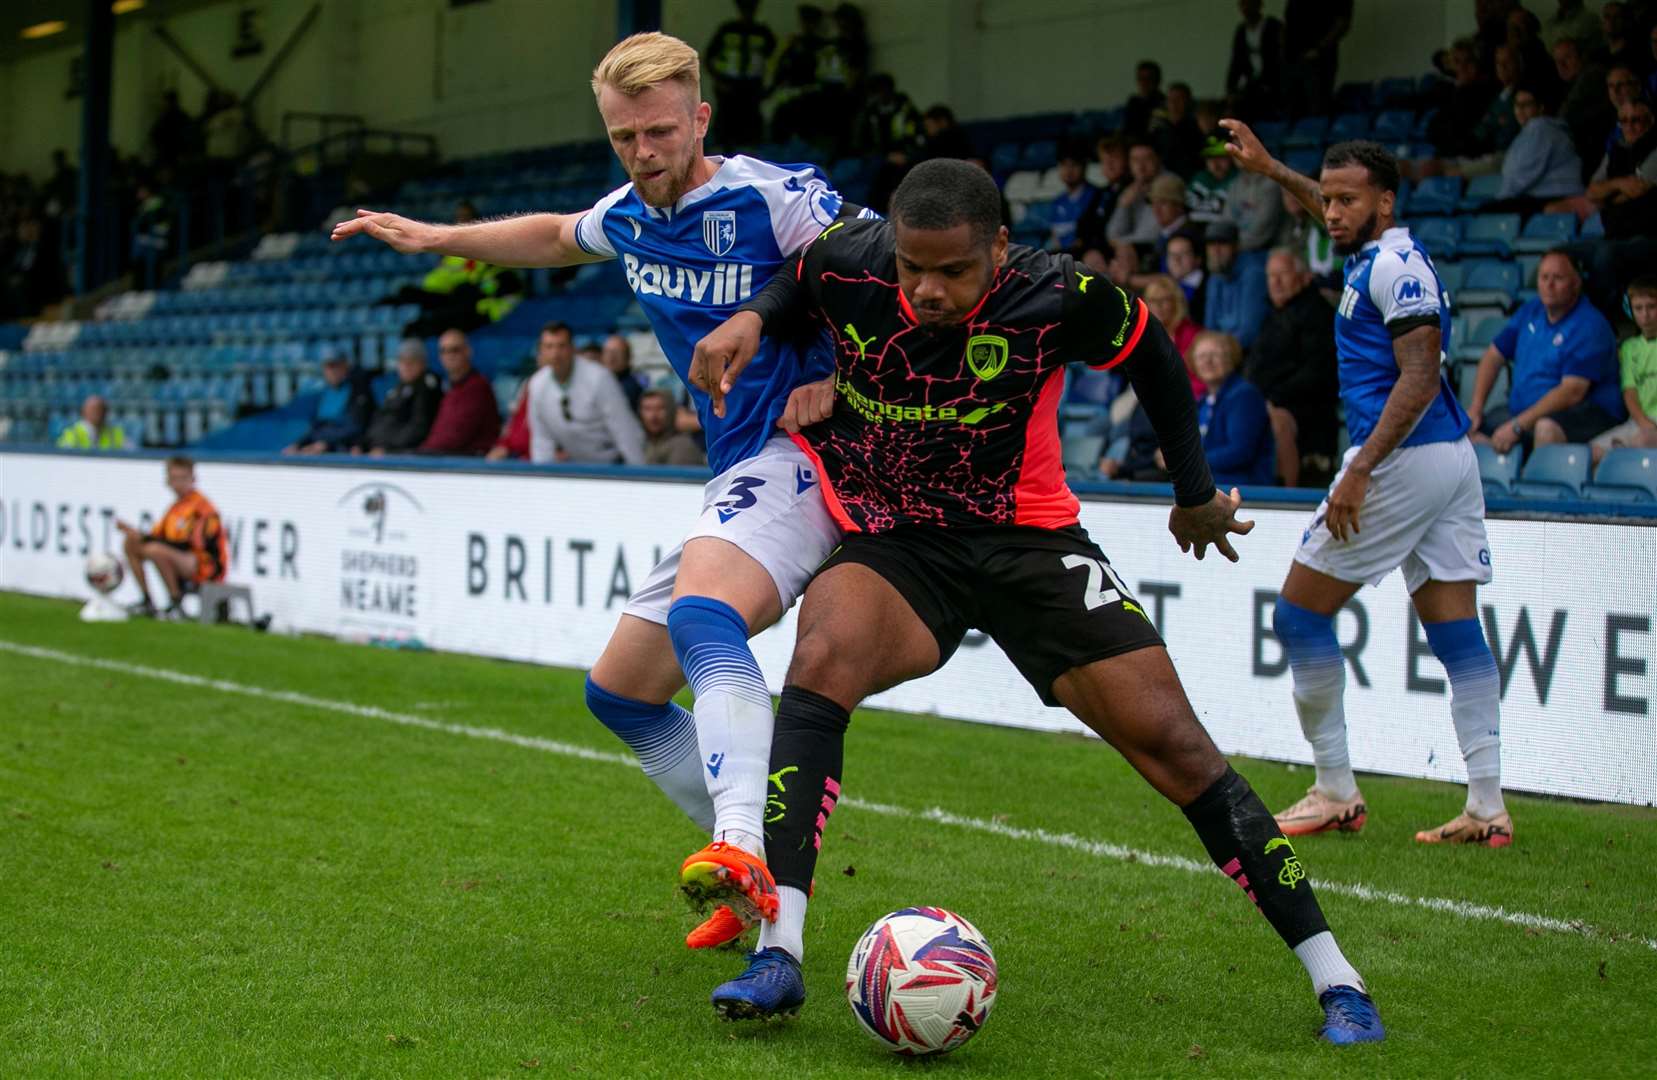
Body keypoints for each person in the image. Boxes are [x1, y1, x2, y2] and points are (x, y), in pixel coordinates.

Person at [691, 157, 1383, 1044]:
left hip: (1031, 544)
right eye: (913, 270)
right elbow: (796, 284)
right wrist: (751, 319)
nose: (929, 290)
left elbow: (1156, 359)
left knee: (1177, 749)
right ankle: (778, 951)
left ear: (999, 248)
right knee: (819, 660)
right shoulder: (851, 256)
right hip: (901, 544)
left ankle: (1337, 980)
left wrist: (1195, 491)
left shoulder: (1060, 293)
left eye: (954, 271)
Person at [335, 31, 862, 951]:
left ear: (700, 117)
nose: (645, 153)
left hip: (805, 455)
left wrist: (844, 376)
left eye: (659, 130)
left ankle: (740, 842)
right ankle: (761, 871)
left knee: (705, 620)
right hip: (737, 468)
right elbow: (550, 234)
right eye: (624, 138)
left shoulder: (770, 195)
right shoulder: (628, 214)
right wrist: (434, 236)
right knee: (621, 691)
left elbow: (877, 265)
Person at [1222, 122, 1513, 848]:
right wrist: (1269, 169)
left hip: (1403, 459)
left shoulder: (1394, 269)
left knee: (1296, 617)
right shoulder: (1374, 252)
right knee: (1454, 634)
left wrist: (1357, 471)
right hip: (1448, 462)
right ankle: (1486, 808)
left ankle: (1334, 790)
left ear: (1385, 202)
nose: (1332, 212)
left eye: (1349, 201)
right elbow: (1320, 200)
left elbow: (1418, 377)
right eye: (1328, 200)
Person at [1468, 251, 1623, 454]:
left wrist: (1518, 425)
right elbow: (1493, 356)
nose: (1549, 285)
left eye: (1558, 278)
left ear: (1576, 283)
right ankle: (1509, 473)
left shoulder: (1589, 324)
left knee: (1545, 429)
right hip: (1524, 411)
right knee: (1465, 431)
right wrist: (1476, 407)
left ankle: (1534, 480)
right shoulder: (1531, 310)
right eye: (1544, 277)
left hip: (1587, 412)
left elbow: (1572, 392)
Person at [1246, 248, 1340, 487]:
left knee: (1276, 420)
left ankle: (1284, 495)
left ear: (1304, 276)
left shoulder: (1318, 313)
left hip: (1307, 407)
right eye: (1270, 276)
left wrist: (1272, 398)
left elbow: (1317, 373)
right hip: (1267, 399)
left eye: (1283, 274)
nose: (1275, 282)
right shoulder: (1272, 313)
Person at [117, 456, 228, 620]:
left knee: (155, 550)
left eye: (183, 478)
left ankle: (176, 603)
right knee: (131, 543)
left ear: (193, 479)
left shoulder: (202, 507)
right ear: (168, 481)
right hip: (182, 558)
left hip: (205, 564)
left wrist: (146, 538)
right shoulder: (175, 507)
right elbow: (158, 536)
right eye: (174, 478)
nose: (179, 483)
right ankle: (147, 601)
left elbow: (192, 544)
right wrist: (138, 536)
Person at [527, 320, 647, 465]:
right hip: (577, 467)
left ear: (572, 348)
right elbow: (541, 440)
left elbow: (625, 430)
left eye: (561, 346)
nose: (555, 353)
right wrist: (542, 478)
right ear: (541, 350)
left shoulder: (599, 378)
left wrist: (637, 472)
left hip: (614, 464)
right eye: (549, 347)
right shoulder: (536, 384)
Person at [1192, 330, 1276, 485]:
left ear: (1231, 359)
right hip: (1210, 487)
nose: (1208, 362)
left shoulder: (1244, 396)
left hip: (1242, 489)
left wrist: (1187, 461)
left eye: (1215, 355)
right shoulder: (1203, 401)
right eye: (1201, 356)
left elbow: (1240, 452)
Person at [488, 323, 569, 462]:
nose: (553, 355)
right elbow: (515, 427)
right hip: (517, 457)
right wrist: (503, 446)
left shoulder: (568, 389)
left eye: (558, 347)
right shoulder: (532, 385)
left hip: (544, 461)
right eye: (547, 349)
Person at [413, 329, 501, 455]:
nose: (449, 355)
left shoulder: (477, 387)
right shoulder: (452, 388)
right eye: (443, 351)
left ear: (468, 351)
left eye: (455, 349)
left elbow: (455, 437)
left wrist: (420, 453)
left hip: (470, 466)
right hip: (446, 460)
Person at [705, 0, 776, 148]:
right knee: (726, 125)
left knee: (750, 126)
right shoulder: (727, 30)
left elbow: (775, 61)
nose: (747, 12)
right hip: (729, 85)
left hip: (752, 87)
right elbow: (709, 57)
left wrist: (769, 88)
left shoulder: (763, 32)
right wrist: (718, 81)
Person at [360, 339, 444, 455]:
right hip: (378, 449)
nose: (406, 367)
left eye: (411, 362)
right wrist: (364, 444)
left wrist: (387, 448)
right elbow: (380, 419)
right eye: (402, 361)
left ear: (422, 364)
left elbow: (418, 429)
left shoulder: (427, 390)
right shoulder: (398, 388)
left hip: (401, 455)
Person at [284, 349, 375, 454]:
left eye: (335, 366)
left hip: (343, 448)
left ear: (345, 366)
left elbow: (355, 428)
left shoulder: (358, 391)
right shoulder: (324, 393)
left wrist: (327, 444)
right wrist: (299, 444)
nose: (331, 371)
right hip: (321, 445)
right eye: (327, 367)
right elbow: (316, 428)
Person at [1202, 220, 1269, 349]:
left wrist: (1218, 351)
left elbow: (1249, 333)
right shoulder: (1215, 275)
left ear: (1236, 246)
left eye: (1222, 244)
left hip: (1246, 351)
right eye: (1211, 244)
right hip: (1221, 351)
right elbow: (1209, 327)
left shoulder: (1254, 274)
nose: (1216, 250)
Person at [1282, 0, 1352, 118]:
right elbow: (1287, 19)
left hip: (1318, 60)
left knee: (1316, 109)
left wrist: (1319, 49)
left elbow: (1342, 23)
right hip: (1291, 58)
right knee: (1290, 109)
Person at [1106, 144, 1175, 246]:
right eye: (1135, 160)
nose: (1140, 166)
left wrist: (1123, 243)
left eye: (1147, 159)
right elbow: (1113, 234)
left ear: (1158, 159)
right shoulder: (1131, 187)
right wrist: (1124, 206)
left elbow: (1150, 237)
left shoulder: (1169, 184)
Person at [1227, 0, 1284, 120]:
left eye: (1250, 3)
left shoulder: (1273, 26)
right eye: (1243, 4)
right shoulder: (1241, 31)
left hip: (1276, 83)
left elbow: (1282, 57)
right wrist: (1231, 90)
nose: (1246, 8)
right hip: (1253, 85)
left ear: (1259, 5)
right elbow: (1236, 62)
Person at [1074, 135, 1131, 253]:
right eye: (1104, 160)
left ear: (1127, 160)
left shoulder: (1132, 189)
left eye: (1114, 159)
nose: (1109, 165)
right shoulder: (1102, 192)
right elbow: (1083, 225)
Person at [1045, 142, 1098, 252]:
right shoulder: (1057, 202)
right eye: (1064, 165)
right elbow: (1055, 238)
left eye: (1074, 164)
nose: (1068, 170)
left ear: (1084, 166)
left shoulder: (1096, 196)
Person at [641, 387, 709, 466]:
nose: (653, 416)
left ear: (671, 410)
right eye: (647, 409)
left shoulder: (682, 446)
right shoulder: (646, 444)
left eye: (660, 408)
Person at [1151, 82, 1203, 180]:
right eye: (1170, 99)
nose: (1174, 103)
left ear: (1188, 101)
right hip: (1162, 177)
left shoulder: (1196, 127)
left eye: (1179, 99)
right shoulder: (1159, 128)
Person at [57, 394, 126, 450]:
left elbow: (131, 453)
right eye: (92, 409)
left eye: (100, 409)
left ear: (105, 413)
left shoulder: (115, 433)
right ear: (83, 412)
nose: (97, 413)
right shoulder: (72, 433)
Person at [601, 333, 648, 413]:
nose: (611, 357)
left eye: (617, 352)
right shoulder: (599, 381)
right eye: (607, 352)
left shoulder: (632, 388)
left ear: (628, 357)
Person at [1123, 59, 1165, 137]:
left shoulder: (1164, 102)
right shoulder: (1133, 101)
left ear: (1158, 80)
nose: (1144, 83)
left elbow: (1155, 131)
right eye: (1141, 79)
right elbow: (1127, 128)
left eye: (1149, 79)